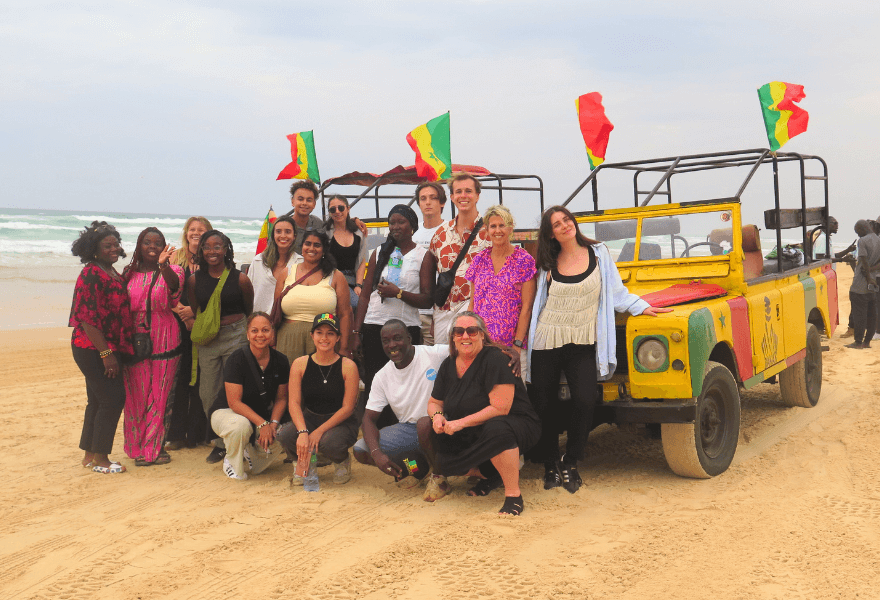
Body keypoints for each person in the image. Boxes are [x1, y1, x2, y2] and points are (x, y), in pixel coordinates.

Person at [527, 206, 670, 494]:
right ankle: (550, 464)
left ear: (574, 222)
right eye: (556, 224)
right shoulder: (546, 261)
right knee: (544, 404)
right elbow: (533, 301)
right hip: (546, 336)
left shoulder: (600, 253)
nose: (564, 226)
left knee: (585, 399)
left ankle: (571, 461)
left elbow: (617, 293)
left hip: (582, 338)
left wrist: (641, 307)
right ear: (550, 233)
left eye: (567, 219)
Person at [416, 312, 540, 515]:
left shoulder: (496, 359)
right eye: (459, 331)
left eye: (472, 331)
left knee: (497, 428)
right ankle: (491, 475)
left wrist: (460, 423)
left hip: (515, 424)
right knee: (427, 427)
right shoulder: (448, 364)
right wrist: (437, 416)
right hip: (475, 425)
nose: (465, 336)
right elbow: (434, 402)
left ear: (482, 335)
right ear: (453, 337)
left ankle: (513, 496)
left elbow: (501, 408)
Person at [351, 205, 433, 407]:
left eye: (401, 222)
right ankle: (375, 431)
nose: (395, 227)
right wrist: (355, 332)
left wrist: (398, 293)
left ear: (412, 226)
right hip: (374, 326)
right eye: (392, 223)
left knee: (405, 383)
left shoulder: (424, 256)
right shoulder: (380, 252)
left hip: (406, 328)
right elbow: (365, 296)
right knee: (375, 381)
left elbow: (427, 299)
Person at [69, 221, 134, 474]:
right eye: (107, 246)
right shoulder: (91, 273)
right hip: (91, 347)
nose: (114, 248)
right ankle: (102, 459)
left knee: (96, 401)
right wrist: (106, 354)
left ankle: (89, 455)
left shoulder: (111, 272)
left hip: (104, 347)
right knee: (112, 399)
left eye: (116, 244)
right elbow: (86, 319)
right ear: (94, 250)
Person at [352, 319, 448, 486]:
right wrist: (377, 455)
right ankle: (417, 469)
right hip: (408, 430)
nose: (392, 345)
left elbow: (467, 348)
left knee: (424, 424)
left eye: (397, 338)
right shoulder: (382, 376)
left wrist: (508, 351)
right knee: (361, 450)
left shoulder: (434, 354)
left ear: (409, 338)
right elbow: (368, 419)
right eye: (386, 341)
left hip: (440, 424)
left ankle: (440, 477)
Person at [186, 230, 255, 464]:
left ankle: (235, 442)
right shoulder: (195, 280)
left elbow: (248, 309)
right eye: (207, 247)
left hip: (236, 335)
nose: (212, 252)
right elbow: (198, 309)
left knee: (234, 391)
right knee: (208, 393)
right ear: (201, 251)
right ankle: (219, 440)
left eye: (218, 247)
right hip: (209, 341)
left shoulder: (240, 279)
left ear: (226, 249)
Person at [122, 227, 184, 466]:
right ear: (139, 245)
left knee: (159, 394)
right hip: (135, 339)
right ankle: (135, 447)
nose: (152, 246)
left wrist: (163, 266)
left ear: (164, 247)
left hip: (165, 337)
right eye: (147, 242)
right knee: (135, 394)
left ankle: (153, 449)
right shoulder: (129, 273)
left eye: (158, 243)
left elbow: (174, 290)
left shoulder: (172, 270)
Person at [279, 313, 360, 485]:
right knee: (286, 434)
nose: (324, 338)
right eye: (319, 332)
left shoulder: (348, 366)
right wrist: (302, 432)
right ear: (312, 336)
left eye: (330, 333)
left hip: (340, 421)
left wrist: (319, 431)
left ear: (338, 337)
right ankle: (303, 463)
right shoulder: (300, 364)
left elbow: (348, 407)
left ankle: (342, 462)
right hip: (310, 416)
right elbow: (293, 402)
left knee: (328, 442)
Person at [208, 312, 291, 480]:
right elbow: (234, 402)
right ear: (247, 334)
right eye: (254, 331)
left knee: (283, 433)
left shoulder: (281, 360)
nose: (260, 335)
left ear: (272, 333)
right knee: (241, 426)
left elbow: (281, 398)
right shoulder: (236, 359)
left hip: (258, 417)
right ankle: (231, 462)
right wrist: (262, 424)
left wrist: (273, 424)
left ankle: (252, 455)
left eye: (265, 330)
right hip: (227, 413)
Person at [466, 204, 536, 380]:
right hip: (481, 345)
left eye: (502, 225)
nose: (498, 230)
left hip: (511, 346)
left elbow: (527, 307)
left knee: (515, 397)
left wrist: (517, 346)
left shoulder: (524, 260)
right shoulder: (479, 260)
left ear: (510, 227)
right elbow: (473, 304)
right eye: (493, 226)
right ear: (487, 230)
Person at [166, 216, 212, 450]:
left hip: (202, 324)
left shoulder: (212, 259)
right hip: (177, 325)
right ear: (186, 233)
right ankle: (175, 435)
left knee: (201, 380)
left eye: (201, 230)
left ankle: (197, 433)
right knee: (180, 379)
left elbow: (215, 294)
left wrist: (194, 315)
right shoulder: (175, 257)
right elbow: (163, 289)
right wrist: (182, 312)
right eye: (192, 229)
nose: (196, 233)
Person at [274, 229, 352, 364]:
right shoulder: (286, 272)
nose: (311, 248)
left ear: (324, 249)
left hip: (324, 341)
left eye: (317, 245)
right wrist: (273, 341)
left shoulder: (336, 276)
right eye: (307, 244)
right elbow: (275, 310)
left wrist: (344, 347)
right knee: (288, 383)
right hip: (287, 340)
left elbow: (345, 314)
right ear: (302, 246)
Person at [430, 173, 491, 344]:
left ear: (477, 196)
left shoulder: (490, 232)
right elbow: (435, 274)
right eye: (458, 192)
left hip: (476, 309)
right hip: (444, 310)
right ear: (452, 197)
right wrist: (434, 316)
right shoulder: (440, 234)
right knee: (444, 361)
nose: (463, 196)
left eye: (468, 191)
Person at [411, 182, 447, 345]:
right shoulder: (412, 233)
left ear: (442, 202)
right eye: (423, 198)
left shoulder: (450, 231)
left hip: (441, 310)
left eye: (433, 198)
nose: (427, 202)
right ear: (418, 203)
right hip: (413, 310)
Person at [248, 215, 301, 313]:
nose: (283, 236)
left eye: (288, 232)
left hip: (287, 322)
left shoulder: (300, 263)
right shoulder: (258, 261)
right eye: (278, 231)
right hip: (259, 322)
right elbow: (248, 294)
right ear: (273, 235)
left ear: (294, 236)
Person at [324, 195, 368, 310]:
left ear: (348, 209)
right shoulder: (325, 233)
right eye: (332, 209)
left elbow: (361, 261)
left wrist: (358, 285)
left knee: (369, 304)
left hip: (353, 280)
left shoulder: (358, 233)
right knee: (354, 305)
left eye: (341, 208)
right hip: (332, 280)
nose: (337, 212)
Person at [846, 219, 880, 349]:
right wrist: (872, 271)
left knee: (859, 314)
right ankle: (867, 342)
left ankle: (858, 342)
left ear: (862, 228)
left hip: (861, 283)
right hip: (873, 283)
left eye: (857, 231)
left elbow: (863, 260)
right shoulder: (878, 239)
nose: (858, 235)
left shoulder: (863, 241)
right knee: (872, 313)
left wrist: (867, 277)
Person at [287, 180, 325, 254]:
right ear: (292, 201)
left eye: (309, 200)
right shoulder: (284, 226)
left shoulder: (318, 224)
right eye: (300, 199)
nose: (304, 203)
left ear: (314, 204)